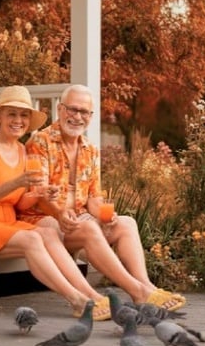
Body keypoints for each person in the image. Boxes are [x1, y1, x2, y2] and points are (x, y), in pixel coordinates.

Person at [0, 86, 113, 320]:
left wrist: (42, 194)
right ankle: (76, 299)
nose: (18, 120)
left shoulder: (21, 149)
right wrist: (16, 182)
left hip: (4, 223)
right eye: (11, 114)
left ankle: (91, 294)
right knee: (32, 238)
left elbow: (20, 201)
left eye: (24, 115)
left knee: (47, 234)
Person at [18, 85, 186, 311]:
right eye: (72, 110)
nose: (78, 117)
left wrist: (107, 216)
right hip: (44, 221)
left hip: (77, 220)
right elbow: (39, 195)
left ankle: (146, 287)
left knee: (126, 223)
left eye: (84, 112)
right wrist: (60, 213)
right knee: (89, 229)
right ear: (60, 109)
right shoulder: (41, 142)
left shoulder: (91, 150)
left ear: (91, 116)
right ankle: (137, 291)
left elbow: (94, 198)